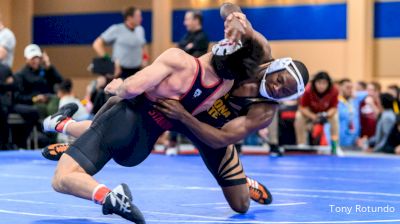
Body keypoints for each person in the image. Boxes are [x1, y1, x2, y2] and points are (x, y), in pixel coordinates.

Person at [42, 6, 308, 222]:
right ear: (276, 66)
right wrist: (236, 17)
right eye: (280, 80)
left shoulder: (264, 110)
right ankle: (72, 131)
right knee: (118, 121)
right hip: (179, 105)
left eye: (284, 91)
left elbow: (220, 139)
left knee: (240, 206)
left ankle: (244, 182)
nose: (277, 88)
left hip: (208, 129)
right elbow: (230, 10)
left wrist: (184, 116)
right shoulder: (258, 51)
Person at [93, 6, 149, 79]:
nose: (141, 18)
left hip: (136, 71)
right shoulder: (116, 29)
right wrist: (109, 61)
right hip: (120, 72)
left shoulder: (140, 29)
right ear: (129, 18)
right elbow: (97, 44)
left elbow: (143, 45)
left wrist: (145, 58)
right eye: (138, 16)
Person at [295, 71, 339, 148]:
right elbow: (302, 108)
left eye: (324, 83)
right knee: (299, 116)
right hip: (310, 113)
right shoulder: (308, 90)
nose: (321, 86)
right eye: (319, 83)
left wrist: (326, 115)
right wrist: (313, 116)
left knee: (335, 118)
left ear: (328, 84)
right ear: (314, 83)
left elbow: (334, 108)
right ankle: (301, 144)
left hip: (326, 113)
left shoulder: (334, 90)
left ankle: (335, 145)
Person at [337, 79, 366, 148]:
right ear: (340, 87)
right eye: (347, 87)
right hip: (340, 141)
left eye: (351, 88)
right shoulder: (336, 102)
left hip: (354, 141)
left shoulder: (355, 100)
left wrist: (356, 93)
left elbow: (368, 93)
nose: (350, 90)